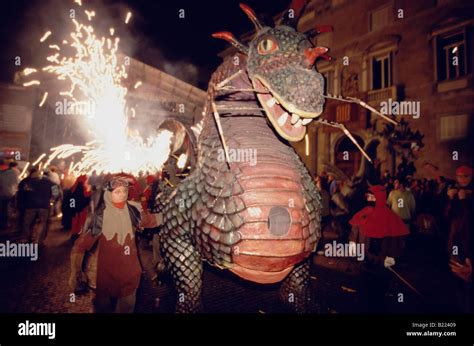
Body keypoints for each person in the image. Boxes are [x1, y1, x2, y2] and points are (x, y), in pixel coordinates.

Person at [68, 175, 161, 313]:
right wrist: (76, 273)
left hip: (129, 272)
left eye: (124, 191)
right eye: (117, 192)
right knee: (102, 307)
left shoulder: (133, 211)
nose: (122, 195)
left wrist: (177, 214)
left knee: (127, 306)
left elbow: (152, 220)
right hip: (103, 274)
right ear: (108, 193)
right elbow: (80, 246)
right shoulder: (100, 217)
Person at [349, 185, 409, 313]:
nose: (370, 199)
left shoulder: (390, 217)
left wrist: (392, 257)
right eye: (368, 197)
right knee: (366, 295)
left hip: (382, 265)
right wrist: (354, 245)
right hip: (365, 263)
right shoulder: (363, 214)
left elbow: (396, 240)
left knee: (379, 296)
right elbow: (355, 232)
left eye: (373, 197)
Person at [445, 165, 473, 312]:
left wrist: (463, 200)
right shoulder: (456, 193)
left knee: (467, 282)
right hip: (455, 242)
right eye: (460, 176)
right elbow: (447, 217)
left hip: (469, 243)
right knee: (456, 278)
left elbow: (468, 218)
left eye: (466, 176)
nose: (462, 179)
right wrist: (450, 199)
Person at [17, 167, 58, 246]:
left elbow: (20, 193)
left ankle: (26, 239)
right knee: (42, 223)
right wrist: (52, 199)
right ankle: (39, 241)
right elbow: (56, 192)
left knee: (27, 223)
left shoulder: (26, 181)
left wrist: (20, 204)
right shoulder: (49, 182)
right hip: (44, 206)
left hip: (30, 206)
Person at [0, 161, 20, 230]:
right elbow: (17, 183)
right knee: (9, 209)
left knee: (3, 210)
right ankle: (7, 223)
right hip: (12, 194)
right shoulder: (15, 173)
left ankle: (3, 223)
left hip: (2, 194)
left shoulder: (1, 174)